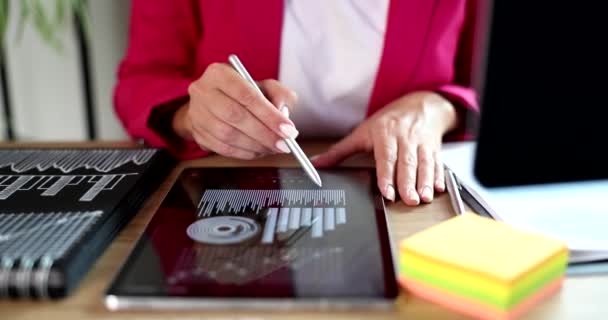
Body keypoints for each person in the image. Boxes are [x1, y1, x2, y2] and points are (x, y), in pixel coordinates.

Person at [114, 0, 480, 206]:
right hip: (227, 194)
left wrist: (436, 108)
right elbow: (141, 81)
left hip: (411, 199)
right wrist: (191, 116)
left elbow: (509, 84)